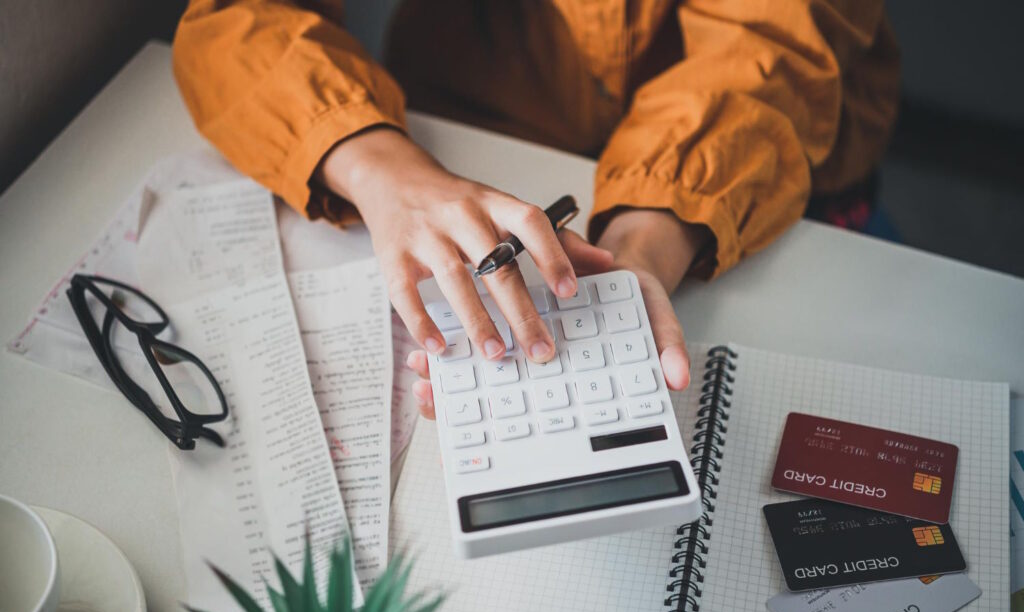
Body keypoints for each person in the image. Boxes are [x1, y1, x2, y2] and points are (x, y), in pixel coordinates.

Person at [172, 0, 900, 417]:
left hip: (761, 177)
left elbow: (768, 45)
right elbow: (232, 22)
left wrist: (641, 248)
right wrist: (378, 166)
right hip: (472, 125)